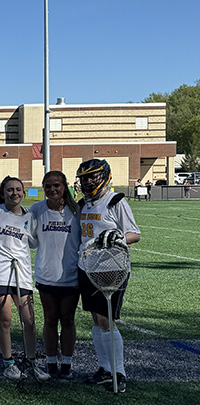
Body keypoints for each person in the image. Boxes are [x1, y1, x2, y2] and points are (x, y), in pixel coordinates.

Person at [76, 159, 140, 393]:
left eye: (93, 176)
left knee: (106, 320)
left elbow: (134, 233)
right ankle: (104, 368)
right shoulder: (83, 204)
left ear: (104, 176)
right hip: (88, 268)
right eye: (84, 177)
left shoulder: (115, 201)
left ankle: (118, 371)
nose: (88, 181)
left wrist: (119, 238)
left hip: (111, 268)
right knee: (96, 320)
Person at [0, 176, 49, 381]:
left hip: (21, 273)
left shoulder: (29, 217)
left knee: (28, 319)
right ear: (3, 193)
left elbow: (33, 243)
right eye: (10, 190)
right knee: (6, 319)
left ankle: (32, 361)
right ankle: (8, 362)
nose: (15, 193)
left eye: (18, 189)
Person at [29, 171, 81, 379]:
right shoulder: (36, 209)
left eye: (56, 185)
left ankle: (66, 363)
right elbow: (30, 239)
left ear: (64, 186)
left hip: (70, 275)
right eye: (48, 186)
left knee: (67, 319)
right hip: (46, 275)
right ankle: (51, 362)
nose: (52, 190)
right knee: (50, 319)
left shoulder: (76, 211)